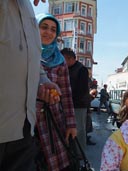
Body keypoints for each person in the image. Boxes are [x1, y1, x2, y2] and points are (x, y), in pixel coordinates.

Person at [0, 1, 61, 171]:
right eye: (44, 27)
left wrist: (42, 82)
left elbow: (30, 56)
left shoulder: (27, 8)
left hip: (23, 129)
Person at [35, 13, 77, 171]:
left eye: (53, 29)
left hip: (53, 122)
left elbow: (66, 95)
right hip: (26, 121)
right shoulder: (24, 53)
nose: (49, 32)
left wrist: (71, 124)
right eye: (44, 27)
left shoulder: (60, 61)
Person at [61, 47, 91, 150]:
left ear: (70, 58)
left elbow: (82, 90)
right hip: (69, 104)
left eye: (63, 59)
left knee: (79, 130)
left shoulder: (82, 70)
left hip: (78, 105)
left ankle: (79, 154)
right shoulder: (67, 69)